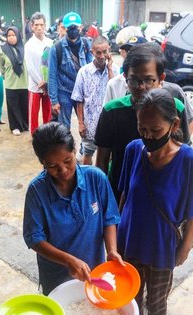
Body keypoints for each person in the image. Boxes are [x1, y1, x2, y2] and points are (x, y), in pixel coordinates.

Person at [117, 89, 193, 315]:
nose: (147, 136)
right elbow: (124, 195)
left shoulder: (188, 160)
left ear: (173, 125)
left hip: (162, 244)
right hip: (129, 238)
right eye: (142, 128)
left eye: (155, 130)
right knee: (132, 293)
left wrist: (184, 248)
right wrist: (114, 239)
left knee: (157, 298)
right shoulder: (132, 150)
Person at [23, 122, 123, 295]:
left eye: (67, 161)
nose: (62, 170)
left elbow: (109, 219)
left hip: (94, 272)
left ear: (75, 150)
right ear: (42, 163)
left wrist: (112, 250)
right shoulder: (37, 191)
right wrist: (68, 260)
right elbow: (34, 238)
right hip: (56, 277)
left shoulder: (96, 178)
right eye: (52, 166)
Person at [95, 44, 191, 202]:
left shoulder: (176, 108)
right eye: (134, 80)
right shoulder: (112, 111)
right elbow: (102, 161)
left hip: (162, 195)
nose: (141, 87)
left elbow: (182, 155)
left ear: (161, 78)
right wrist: (103, 200)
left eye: (148, 80)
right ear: (125, 77)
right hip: (120, 193)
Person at [71, 36, 118, 165]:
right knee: (87, 154)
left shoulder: (115, 70)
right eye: (98, 52)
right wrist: (80, 123)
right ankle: (88, 181)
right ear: (92, 52)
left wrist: (109, 68)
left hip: (109, 123)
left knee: (106, 156)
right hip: (90, 125)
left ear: (109, 50)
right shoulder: (84, 72)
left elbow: (115, 90)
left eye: (105, 52)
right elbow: (79, 99)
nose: (102, 56)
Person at [48, 12, 93, 129]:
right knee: (64, 127)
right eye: (70, 27)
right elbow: (52, 75)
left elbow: (91, 70)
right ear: (65, 28)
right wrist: (54, 100)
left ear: (80, 27)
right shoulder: (56, 48)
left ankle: (85, 147)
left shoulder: (86, 44)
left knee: (85, 124)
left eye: (75, 27)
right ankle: (67, 147)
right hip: (64, 91)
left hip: (82, 91)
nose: (73, 30)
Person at [25, 12, 53, 134]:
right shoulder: (29, 45)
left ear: (45, 25)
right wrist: (40, 82)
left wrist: (48, 82)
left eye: (41, 24)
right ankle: (35, 135)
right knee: (34, 112)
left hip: (48, 85)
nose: (39, 27)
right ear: (32, 26)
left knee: (48, 111)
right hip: (35, 86)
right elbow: (30, 67)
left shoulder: (50, 42)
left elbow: (52, 63)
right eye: (36, 25)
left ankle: (46, 134)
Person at [0, 26, 28, 135]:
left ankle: (25, 125)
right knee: (13, 106)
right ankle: (15, 127)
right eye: (9, 35)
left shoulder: (24, 48)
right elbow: (0, 66)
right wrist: (6, 74)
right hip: (11, 83)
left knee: (24, 105)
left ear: (18, 36)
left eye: (13, 35)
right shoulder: (2, 50)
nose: (11, 38)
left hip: (24, 83)